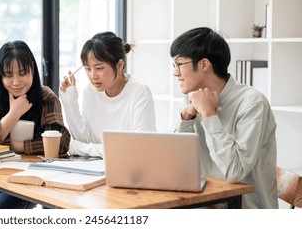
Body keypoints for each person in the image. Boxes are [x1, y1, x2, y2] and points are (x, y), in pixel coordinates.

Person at [0, 40, 71, 209]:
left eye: (22, 73)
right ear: (0, 75)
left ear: (32, 69)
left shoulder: (46, 97)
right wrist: (13, 114)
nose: (16, 82)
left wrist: (19, 145)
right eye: (8, 75)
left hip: (27, 177)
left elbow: (62, 143)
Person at [170, 27, 278, 209]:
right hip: (202, 205)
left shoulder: (252, 103)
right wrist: (186, 117)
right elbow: (173, 161)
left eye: (178, 64)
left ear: (204, 65)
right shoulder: (194, 98)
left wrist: (209, 115)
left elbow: (235, 172)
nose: (175, 73)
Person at [60, 31, 156, 157]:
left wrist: (78, 148)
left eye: (99, 68)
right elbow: (84, 140)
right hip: (94, 171)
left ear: (120, 65)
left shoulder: (139, 92)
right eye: (88, 69)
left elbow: (140, 149)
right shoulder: (90, 91)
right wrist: (69, 101)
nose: (93, 76)